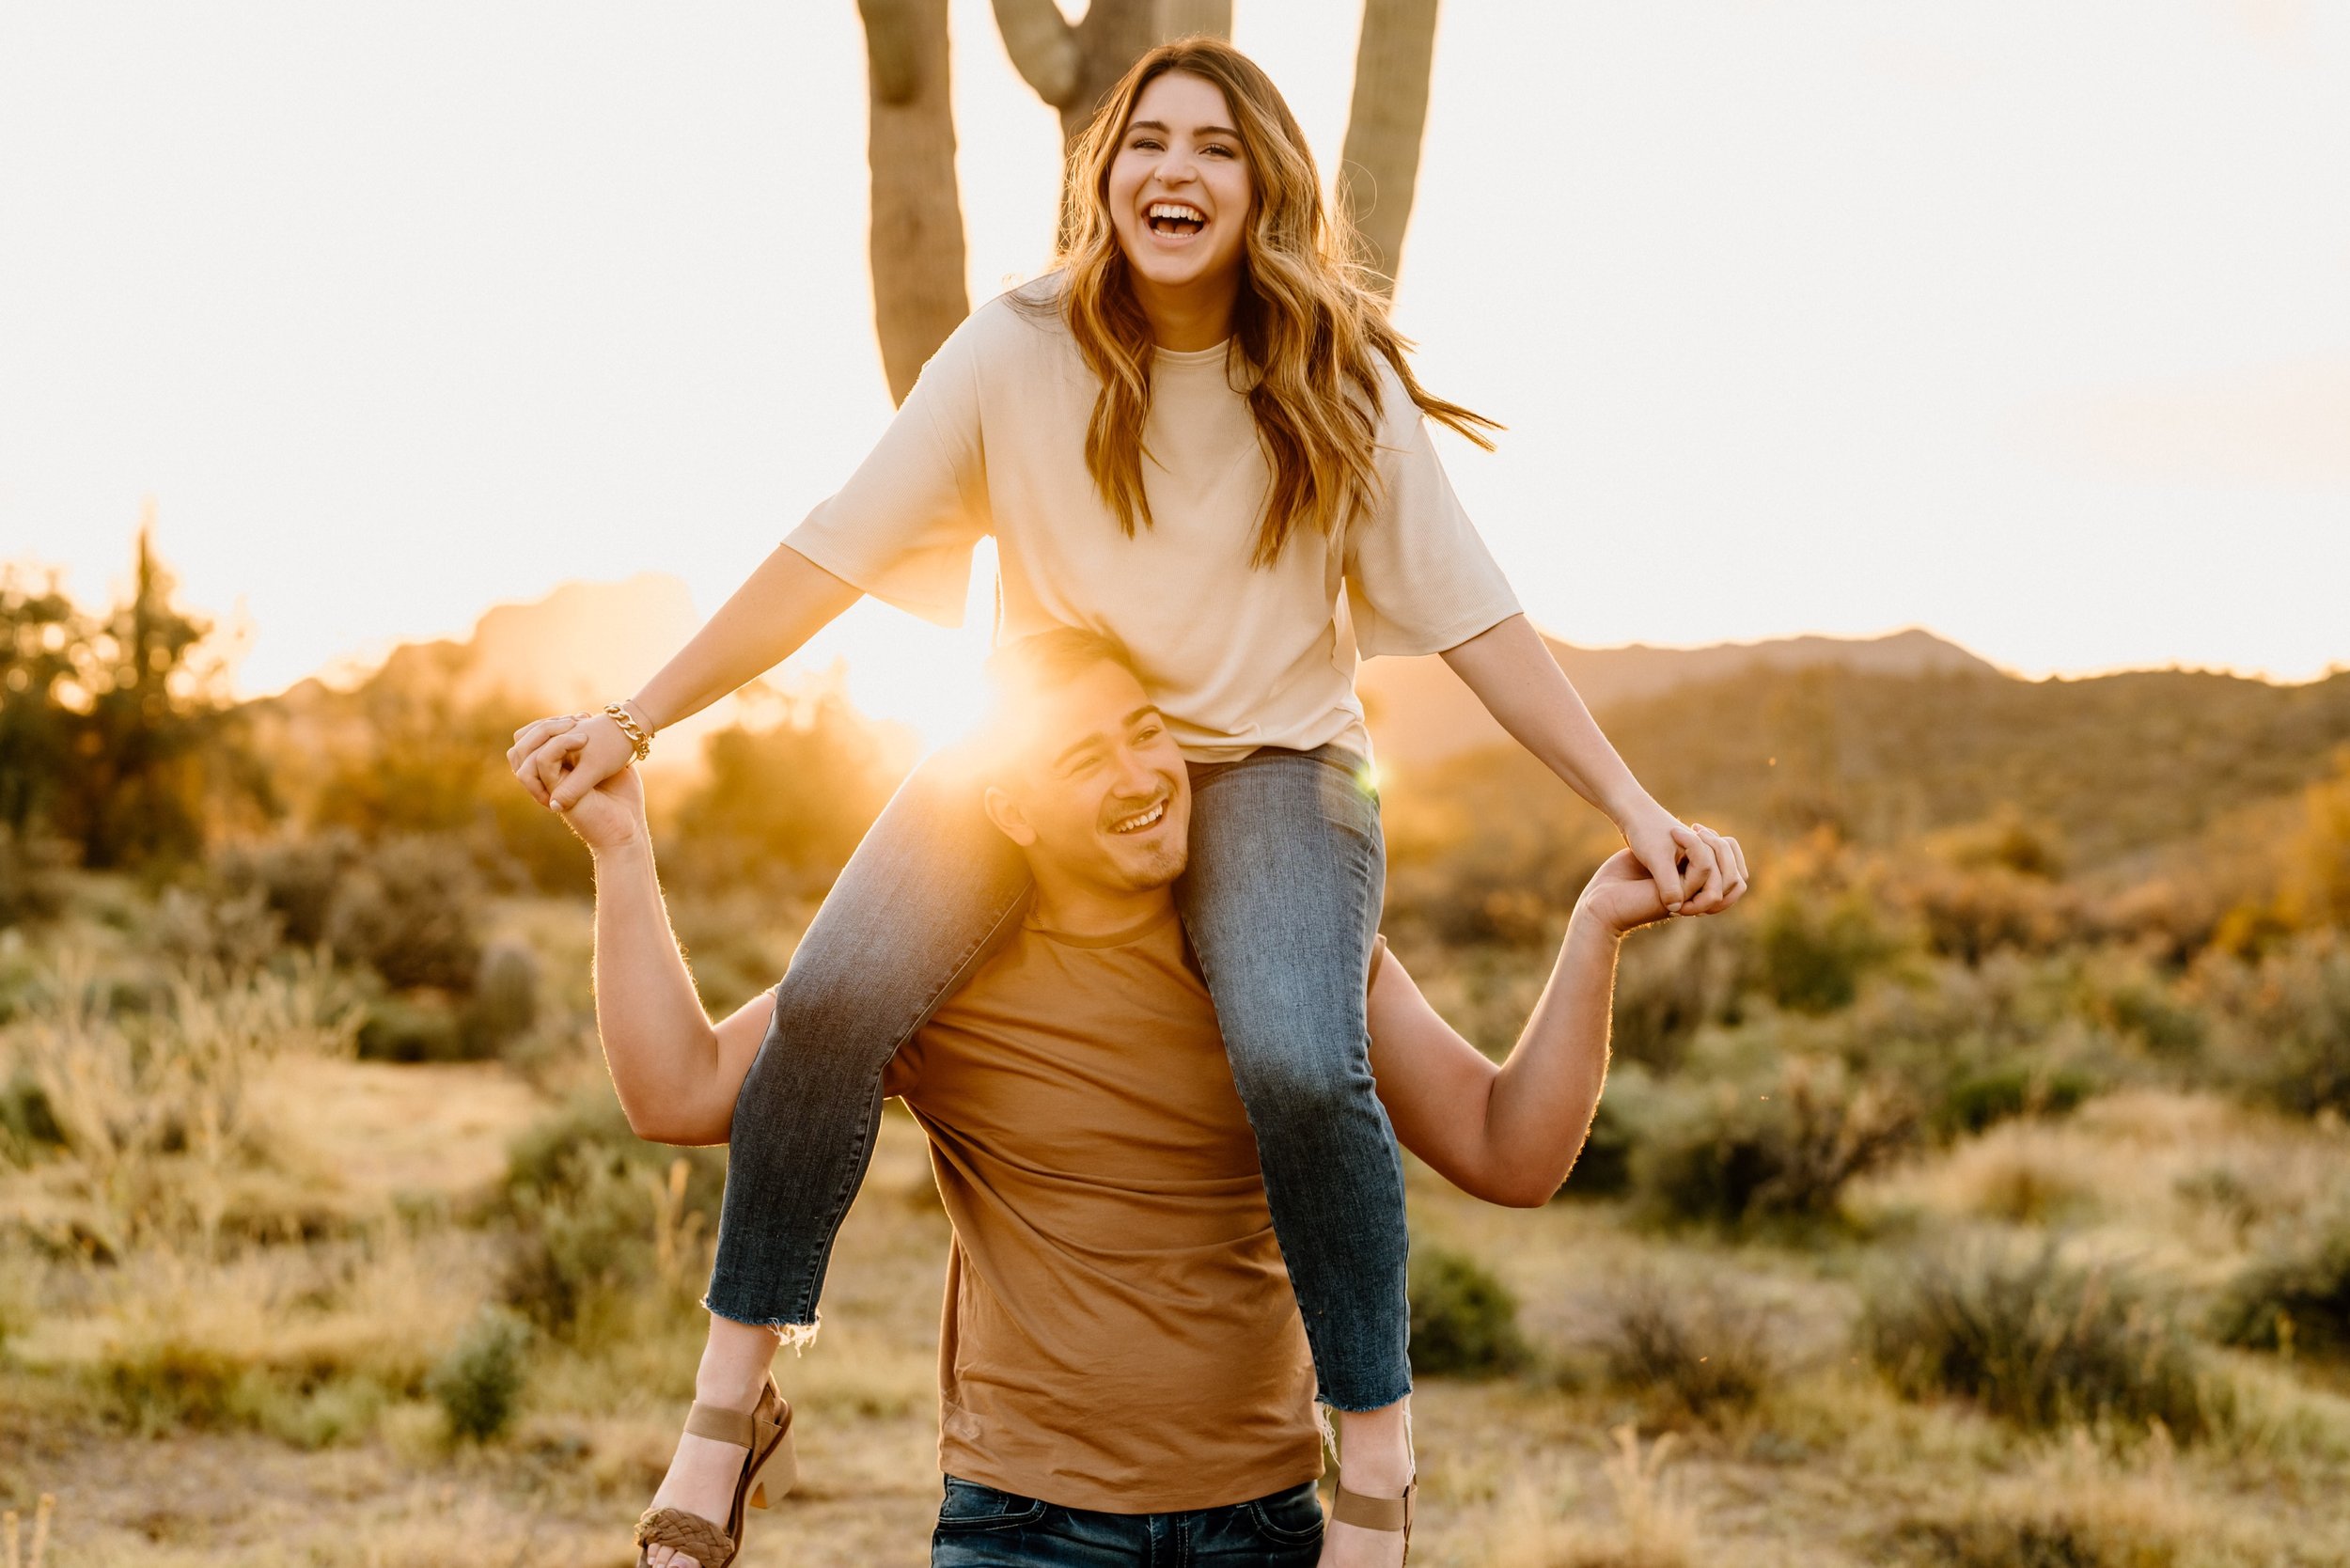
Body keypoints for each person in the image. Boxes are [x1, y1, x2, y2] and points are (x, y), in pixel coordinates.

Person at [504, 36, 1736, 1568]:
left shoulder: (1330, 369)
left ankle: (1377, 1460)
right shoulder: (1019, 348)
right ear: (1104, 177)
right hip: (1044, 750)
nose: (1177, 167)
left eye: (1218, 146)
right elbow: (833, 546)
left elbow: (1476, 613)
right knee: (830, 1000)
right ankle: (726, 1409)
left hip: (1278, 772)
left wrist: (1630, 801)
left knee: (1299, 1054)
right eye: (1148, 139)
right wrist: (635, 714)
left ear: (1265, 183)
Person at [556, 630, 1748, 1567]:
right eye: (1085, 760)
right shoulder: (931, 982)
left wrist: (1592, 932)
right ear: (1008, 811)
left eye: (1146, 733)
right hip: (1024, 1530)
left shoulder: (1290, 961)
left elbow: (1509, 1152)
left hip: (1270, 1528)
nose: (1141, 777)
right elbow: (684, 1090)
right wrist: (622, 853)